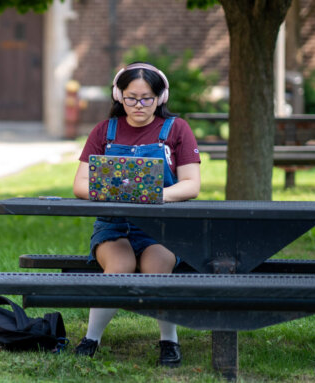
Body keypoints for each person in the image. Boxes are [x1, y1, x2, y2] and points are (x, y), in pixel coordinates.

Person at [71, 62, 201, 367]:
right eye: (131, 98)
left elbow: (192, 185)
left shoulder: (177, 129)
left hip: (162, 227)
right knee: (120, 266)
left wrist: (152, 196)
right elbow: (79, 184)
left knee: (157, 270)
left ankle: (169, 341)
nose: (139, 105)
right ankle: (91, 339)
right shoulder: (105, 131)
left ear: (161, 97)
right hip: (113, 225)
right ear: (119, 95)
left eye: (147, 98)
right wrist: (117, 195)